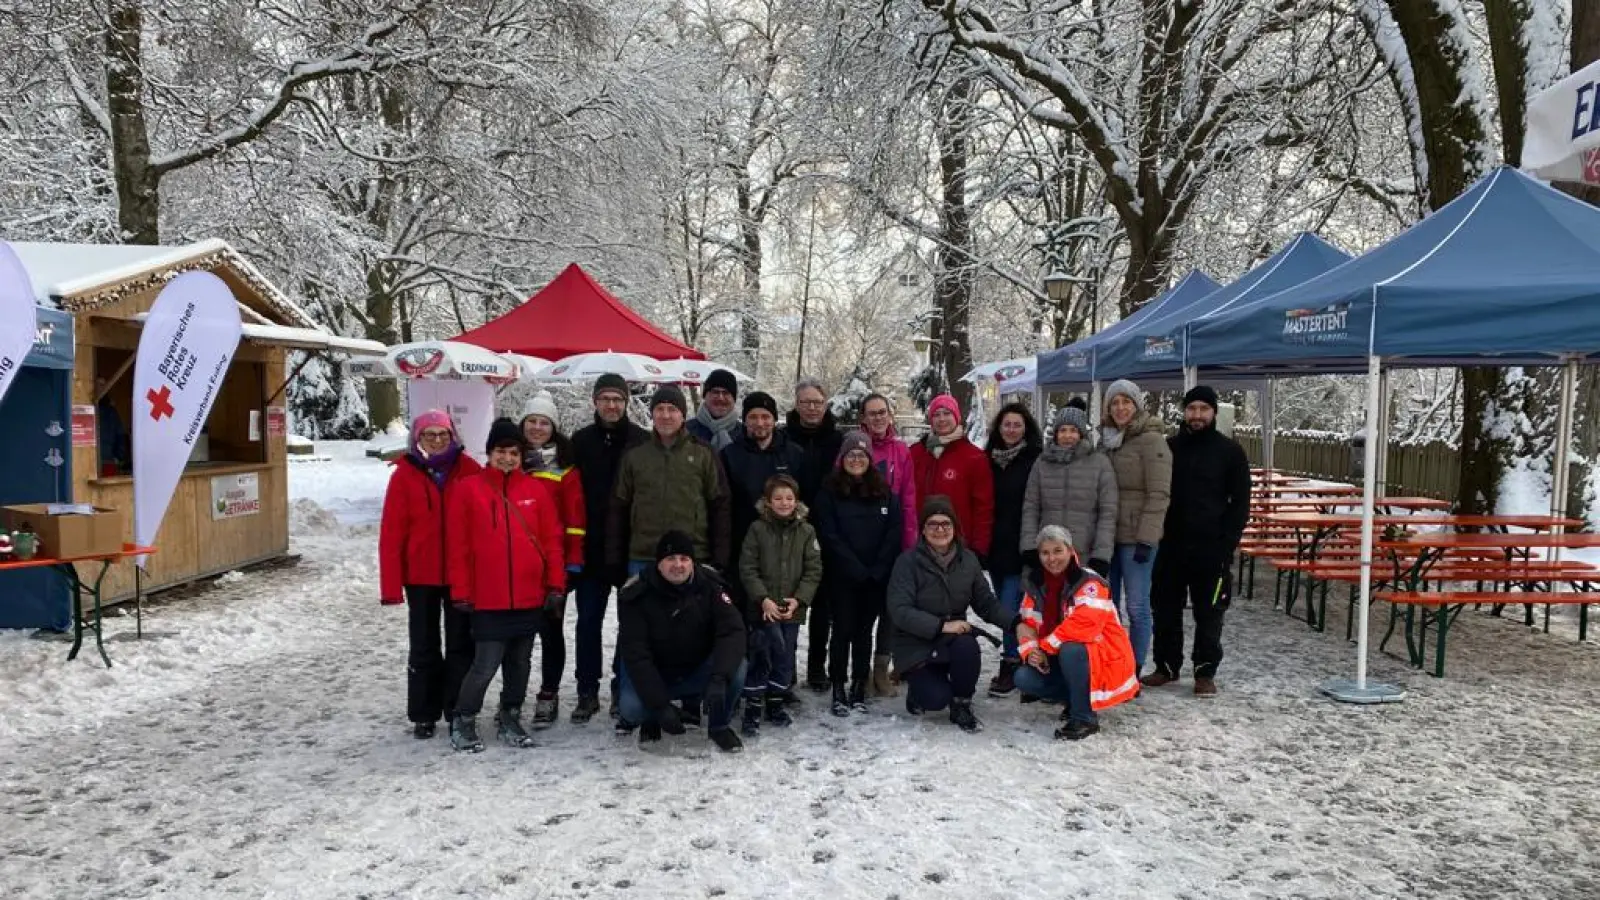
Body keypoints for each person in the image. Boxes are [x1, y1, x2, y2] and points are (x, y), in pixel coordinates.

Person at [607, 384, 732, 733]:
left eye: (672, 409)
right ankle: (631, 697)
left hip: (693, 558)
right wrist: (616, 559)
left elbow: (720, 505)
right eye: (660, 409)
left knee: (693, 630)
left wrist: (718, 558)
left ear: (682, 415)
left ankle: (691, 700)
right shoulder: (635, 455)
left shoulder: (702, 453)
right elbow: (618, 507)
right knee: (635, 633)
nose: (665, 415)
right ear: (652, 414)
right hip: (643, 558)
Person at [445, 418, 566, 753]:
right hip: (488, 597)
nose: (508, 458)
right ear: (489, 452)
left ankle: (510, 714)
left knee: (521, 662)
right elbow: (458, 547)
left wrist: (555, 584)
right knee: (485, 664)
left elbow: (552, 540)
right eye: (501, 451)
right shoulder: (468, 489)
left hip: (528, 595)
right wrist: (461, 591)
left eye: (514, 452)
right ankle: (464, 717)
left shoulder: (534, 490)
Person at [379, 410, 482, 740]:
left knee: (459, 644)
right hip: (420, 575)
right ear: (417, 438)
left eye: (443, 435)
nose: (437, 440)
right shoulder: (404, 474)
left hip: (460, 573)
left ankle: (457, 709)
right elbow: (392, 533)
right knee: (423, 645)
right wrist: (391, 586)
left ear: (453, 437)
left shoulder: (469, 470)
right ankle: (424, 713)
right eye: (429, 435)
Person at [1145, 385, 1251, 696]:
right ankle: (1166, 665)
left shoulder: (1230, 452)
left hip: (1211, 547)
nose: (1197, 415)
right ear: (1184, 411)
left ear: (1214, 413)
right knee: (1164, 608)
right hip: (1170, 545)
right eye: (1192, 409)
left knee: (1210, 612)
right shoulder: (1169, 447)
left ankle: (1205, 670)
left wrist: (1227, 542)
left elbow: (1241, 502)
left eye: (1204, 409)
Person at [885, 496, 1016, 733]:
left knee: (967, 647)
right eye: (932, 524)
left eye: (946, 523)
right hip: (916, 642)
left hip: (953, 640)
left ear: (955, 528)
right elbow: (900, 610)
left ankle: (961, 703)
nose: (940, 530)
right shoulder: (907, 562)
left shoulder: (968, 560)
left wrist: (1016, 623)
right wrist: (941, 626)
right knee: (935, 699)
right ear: (923, 530)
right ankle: (919, 688)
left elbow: (986, 603)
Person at [616, 531, 748, 753]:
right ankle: (652, 720)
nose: (678, 565)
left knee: (738, 668)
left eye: (684, 559)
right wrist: (659, 706)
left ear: (693, 563)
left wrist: (719, 677)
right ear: (658, 564)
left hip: (697, 666)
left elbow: (732, 631)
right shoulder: (636, 595)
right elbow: (637, 655)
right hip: (656, 673)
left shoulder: (711, 585)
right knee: (631, 709)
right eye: (670, 559)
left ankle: (719, 726)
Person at [570, 373, 648, 724]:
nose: (612, 405)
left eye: (618, 399)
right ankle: (587, 690)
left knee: (630, 623)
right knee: (588, 621)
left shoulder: (641, 441)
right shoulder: (580, 441)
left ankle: (621, 686)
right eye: (606, 399)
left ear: (627, 402)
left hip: (632, 546)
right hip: (591, 548)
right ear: (595, 402)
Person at [1013, 525, 1139, 740]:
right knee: (1024, 678)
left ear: (1070, 551)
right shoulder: (1035, 584)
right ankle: (1075, 698)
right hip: (1057, 654)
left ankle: (1084, 717)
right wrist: (1031, 653)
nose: (1052, 558)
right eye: (1045, 552)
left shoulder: (1090, 582)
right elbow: (1026, 624)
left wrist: (1044, 647)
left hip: (1102, 657)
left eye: (1057, 551)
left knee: (1071, 650)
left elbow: (1083, 626)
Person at [813, 431, 903, 717]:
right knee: (842, 630)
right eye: (851, 454)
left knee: (865, 633)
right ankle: (838, 684)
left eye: (861, 455)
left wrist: (876, 569)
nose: (856, 459)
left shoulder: (884, 492)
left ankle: (858, 685)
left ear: (869, 459)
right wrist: (852, 567)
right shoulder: (829, 491)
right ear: (843, 458)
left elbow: (893, 534)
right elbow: (829, 534)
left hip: (874, 577)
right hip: (842, 576)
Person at [519, 390, 586, 727]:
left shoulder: (566, 469)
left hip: (553, 566)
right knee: (516, 634)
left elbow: (575, 520)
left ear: (553, 427)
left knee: (550, 631)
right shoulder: (509, 461)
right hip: (514, 564)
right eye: (531, 421)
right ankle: (513, 694)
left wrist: (573, 562)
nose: (536, 427)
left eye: (543, 422)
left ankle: (549, 693)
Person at [737, 474, 822, 735]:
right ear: (768, 501)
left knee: (785, 657)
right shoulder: (757, 529)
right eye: (778, 498)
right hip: (763, 609)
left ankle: (775, 700)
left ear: (796, 501)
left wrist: (800, 598)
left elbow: (813, 569)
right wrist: (762, 599)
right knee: (761, 654)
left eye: (789, 498)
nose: (784, 503)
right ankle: (753, 703)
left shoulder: (806, 531)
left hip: (791, 609)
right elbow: (747, 567)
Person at [1100, 379, 1171, 676]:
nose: (1120, 408)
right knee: (1108, 607)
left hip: (1136, 539)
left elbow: (1159, 493)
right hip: (1107, 536)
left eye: (1125, 402)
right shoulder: (1105, 440)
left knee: (1137, 608)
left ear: (1136, 405)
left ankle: (1134, 667)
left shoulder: (1152, 441)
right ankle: (1112, 664)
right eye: (1114, 403)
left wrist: (1147, 538)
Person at [719, 391, 805, 613]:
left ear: (774, 419)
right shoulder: (730, 455)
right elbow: (722, 504)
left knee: (779, 623)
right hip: (741, 550)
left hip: (782, 553)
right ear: (744, 420)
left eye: (765, 417)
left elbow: (804, 501)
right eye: (753, 417)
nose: (760, 423)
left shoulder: (793, 454)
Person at [785, 376, 845, 690]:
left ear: (825, 405)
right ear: (797, 404)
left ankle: (817, 668)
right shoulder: (784, 438)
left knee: (823, 606)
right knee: (790, 598)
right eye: (806, 402)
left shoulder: (837, 441)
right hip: (790, 528)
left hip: (827, 528)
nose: (812, 408)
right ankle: (786, 670)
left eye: (817, 402)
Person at [981, 402, 1043, 698]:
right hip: (995, 545)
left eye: (1017, 425)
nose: (1011, 429)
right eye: (1006, 424)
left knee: (1010, 606)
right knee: (1010, 606)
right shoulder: (988, 459)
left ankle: (1012, 663)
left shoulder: (1034, 460)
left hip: (1023, 546)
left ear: (1026, 428)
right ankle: (1025, 661)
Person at [858, 393, 916, 698]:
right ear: (863, 417)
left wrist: (909, 545)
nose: (878, 418)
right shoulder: (854, 447)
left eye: (882, 412)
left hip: (894, 540)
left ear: (890, 415)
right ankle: (861, 669)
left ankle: (882, 668)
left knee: (890, 610)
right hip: (864, 540)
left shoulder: (901, 451)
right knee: (864, 609)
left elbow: (908, 498)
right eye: (872, 413)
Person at [909, 393, 994, 563]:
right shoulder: (915, 453)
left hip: (960, 545)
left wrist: (979, 547)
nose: (942, 419)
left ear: (957, 417)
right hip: (921, 543)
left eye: (947, 413)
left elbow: (983, 506)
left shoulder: (974, 457)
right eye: (936, 414)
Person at [686, 368, 743, 450]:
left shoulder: (745, 435)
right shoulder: (686, 431)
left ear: (734, 399)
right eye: (715, 392)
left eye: (726, 393)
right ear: (705, 396)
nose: (721, 398)